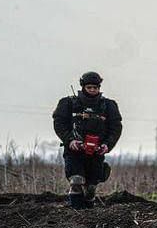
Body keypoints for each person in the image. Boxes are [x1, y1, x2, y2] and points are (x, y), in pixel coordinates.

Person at [52, 71, 123, 209]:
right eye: (89, 87)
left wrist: (107, 145)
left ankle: (89, 214)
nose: (92, 90)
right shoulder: (68, 103)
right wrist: (70, 140)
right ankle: (76, 212)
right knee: (76, 181)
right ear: (83, 87)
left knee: (91, 187)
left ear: (99, 88)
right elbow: (59, 123)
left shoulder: (108, 106)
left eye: (95, 87)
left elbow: (116, 127)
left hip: (96, 152)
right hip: (75, 151)